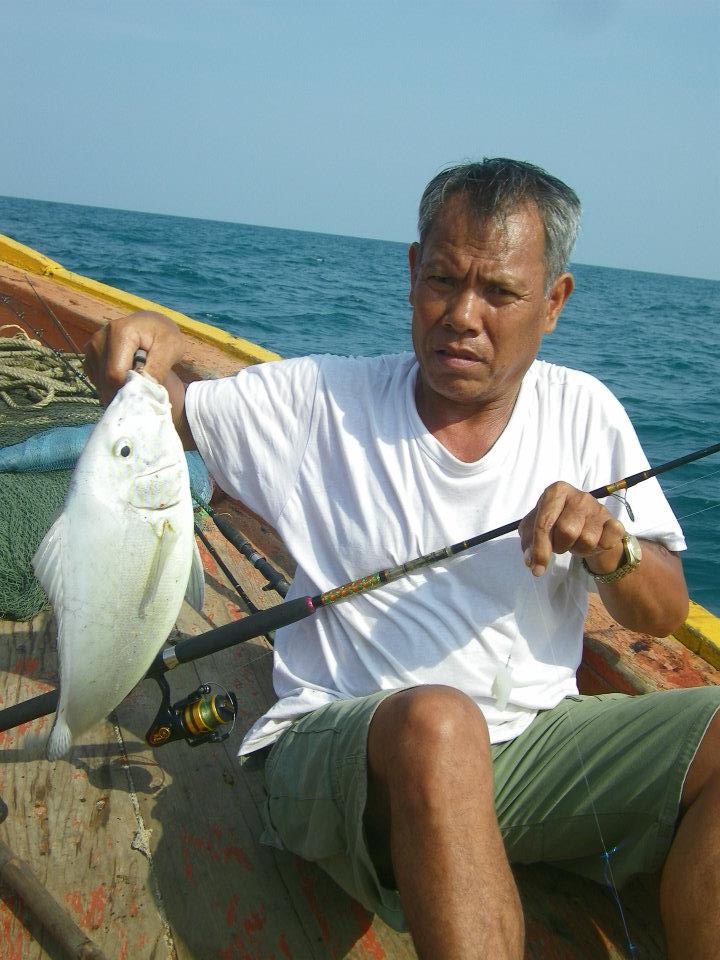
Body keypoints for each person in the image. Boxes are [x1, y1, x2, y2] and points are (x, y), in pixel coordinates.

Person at [86, 159, 720, 960]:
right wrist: (142, 346)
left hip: (527, 750)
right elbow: (153, 409)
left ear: (554, 303)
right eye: (444, 280)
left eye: (500, 292)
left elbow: (660, 611)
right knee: (438, 721)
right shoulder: (323, 400)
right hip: (345, 750)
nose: (462, 315)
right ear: (411, 271)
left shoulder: (586, 411)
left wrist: (612, 548)